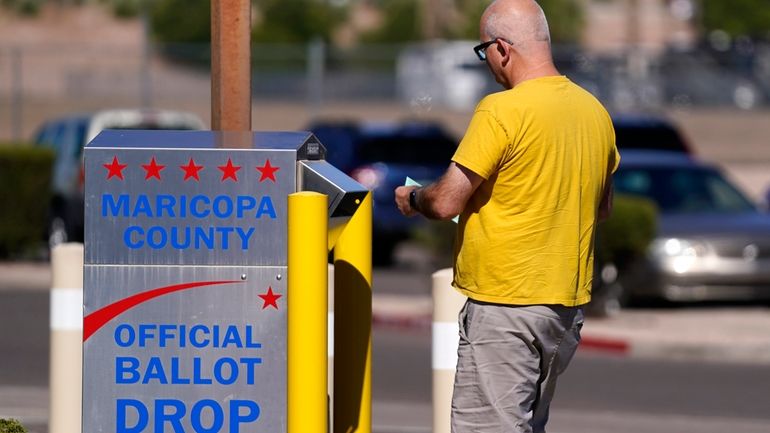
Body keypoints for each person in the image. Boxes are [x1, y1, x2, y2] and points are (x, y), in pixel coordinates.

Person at [394, 0, 619, 432]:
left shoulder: (502, 110)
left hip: (505, 305)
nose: (488, 65)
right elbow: (601, 207)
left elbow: (446, 202)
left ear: (501, 48)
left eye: (484, 53)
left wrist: (414, 197)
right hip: (565, 308)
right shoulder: (595, 112)